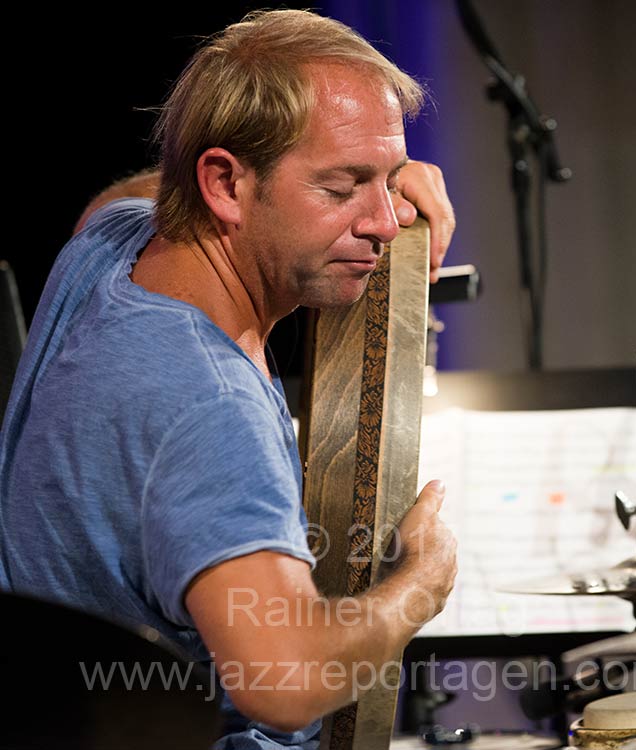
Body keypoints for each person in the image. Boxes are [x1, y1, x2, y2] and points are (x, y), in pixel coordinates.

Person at [0, 10, 457, 748]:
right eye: (344, 187)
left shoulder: (108, 250)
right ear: (224, 183)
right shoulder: (209, 406)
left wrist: (366, 169)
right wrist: (417, 588)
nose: (383, 220)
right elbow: (286, 684)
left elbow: (111, 202)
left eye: (387, 180)